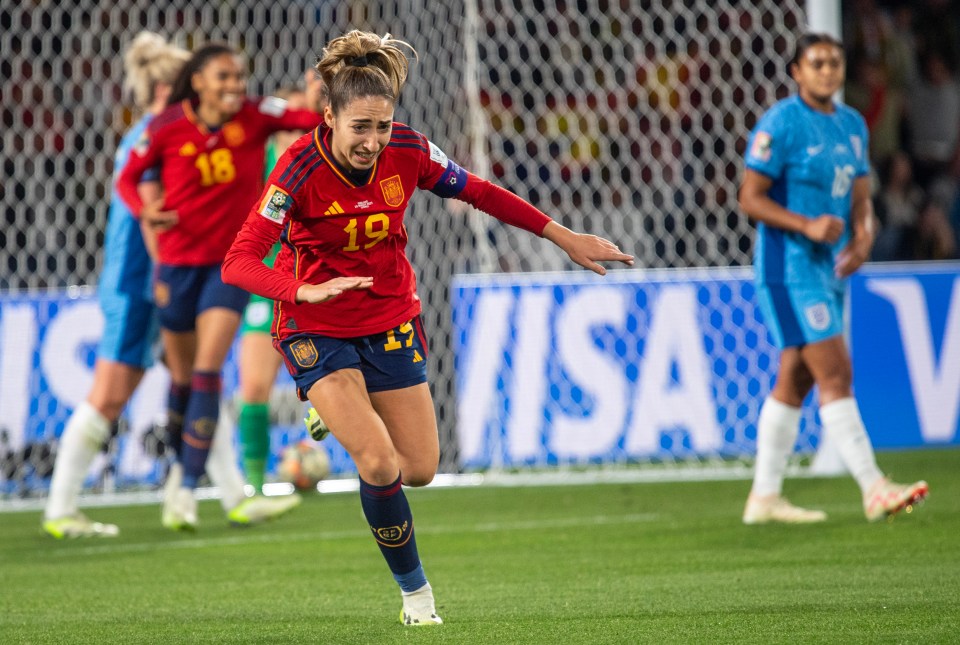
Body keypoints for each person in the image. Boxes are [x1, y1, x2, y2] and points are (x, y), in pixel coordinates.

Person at [221, 30, 634, 625]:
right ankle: (417, 598)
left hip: (388, 315)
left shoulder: (411, 151)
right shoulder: (297, 169)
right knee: (379, 463)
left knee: (418, 469)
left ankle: (335, 408)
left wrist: (564, 237)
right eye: (359, 127)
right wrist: (300, 288)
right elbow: (239, 260)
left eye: (382, 126)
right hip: (314, 325)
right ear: (329, 115)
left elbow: (481, 192)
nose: (371, 141)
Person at [116, 42, 325, 531]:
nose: (236, 86)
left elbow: (305, 119)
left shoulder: (255, 116)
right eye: (224, 78)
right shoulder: (165, 127)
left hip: (229, 266)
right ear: (199, 82)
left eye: (239, 76)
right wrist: (143, 209)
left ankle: (187, 492)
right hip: (174, 266)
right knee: (183, 381)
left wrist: (317, 103)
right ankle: (176, 481)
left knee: (209, 371)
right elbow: (129, 176)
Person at [739, 33, 929, 525]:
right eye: (816, 63)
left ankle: (763, 498)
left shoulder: (852, 125)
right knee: (835, 371)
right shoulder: (781, 124)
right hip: (788, 268)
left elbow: (861, 196)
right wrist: (806, 225)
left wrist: (864, 236)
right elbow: (750, 198)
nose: (827, 71)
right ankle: (874, 487)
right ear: (797, 72)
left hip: (828, 268)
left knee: (795, 378)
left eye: (835, 62)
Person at [42, 32, 190, 539]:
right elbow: (153, 219)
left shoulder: (151, 135)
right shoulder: (155, 138)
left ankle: (216, 494)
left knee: (198, 375)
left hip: (149, 280)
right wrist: (171, 276)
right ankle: (60, 508)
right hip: (140, 283)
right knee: (110, 394)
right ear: (166, 90)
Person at [237, 84, 318, 493]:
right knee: (253, 388)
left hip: (315, 285)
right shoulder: (261, 159)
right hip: (265, 290)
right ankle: (253, 484)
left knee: (351, 380)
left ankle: (374, 469)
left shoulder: (324, 158)